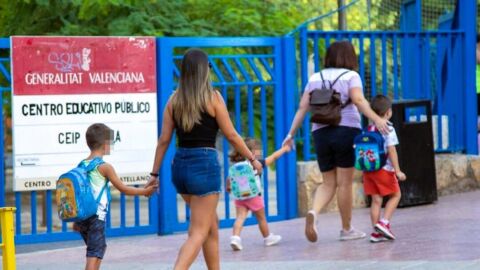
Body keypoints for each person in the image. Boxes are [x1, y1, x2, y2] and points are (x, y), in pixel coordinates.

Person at [146, 48, 263, 270]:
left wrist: (154, 174)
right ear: (203, 71)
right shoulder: (213, 98)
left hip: (180, 168)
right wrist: (252, 159)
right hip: (204, 166)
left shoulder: (173, 100)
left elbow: (163, 140)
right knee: (198, 231)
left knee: (211, 224)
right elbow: (231, 135)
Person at [282, 40, 389, 242]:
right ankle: (346, 229)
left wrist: (290, 135)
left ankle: (314, 211)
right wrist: (376, 119)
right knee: (344, 183)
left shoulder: (315, 78)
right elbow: (358, 100)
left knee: (328, 182)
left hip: (320, 133)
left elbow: (302, 108)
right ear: (350, 57)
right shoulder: (351, 76)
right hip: (346, 131)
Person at [74, 123, 157, 270]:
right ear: (105, 144)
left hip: (83, 218)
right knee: (94, 253)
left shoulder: (81, 165)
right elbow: (123, 188)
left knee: (98, 249)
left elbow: (78, 193)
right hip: (96, 218)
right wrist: (145, 191)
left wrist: (76, 220)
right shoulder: (104, 167)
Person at [226, 138, 290, 251]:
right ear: (252, 152)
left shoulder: (236, 166)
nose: (261, 152)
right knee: (261, 218)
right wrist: (284, 149)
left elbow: (229, 180)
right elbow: (274, 157)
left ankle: (235, 238)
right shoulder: (257, 163)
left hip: (240, 197)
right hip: (254, 196)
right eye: (259, 150)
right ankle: (268, 238)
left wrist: (229, 188)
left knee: (240, 217)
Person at [363, 95, 407, 242]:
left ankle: (376, 232)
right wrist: (398, 170)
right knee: (396, 195)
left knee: (376, 200)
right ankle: (384, 223)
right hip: (384, 169)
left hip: (369, 170)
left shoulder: (368, 128)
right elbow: (392, 150)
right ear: (388, 112)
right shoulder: (388, 128)